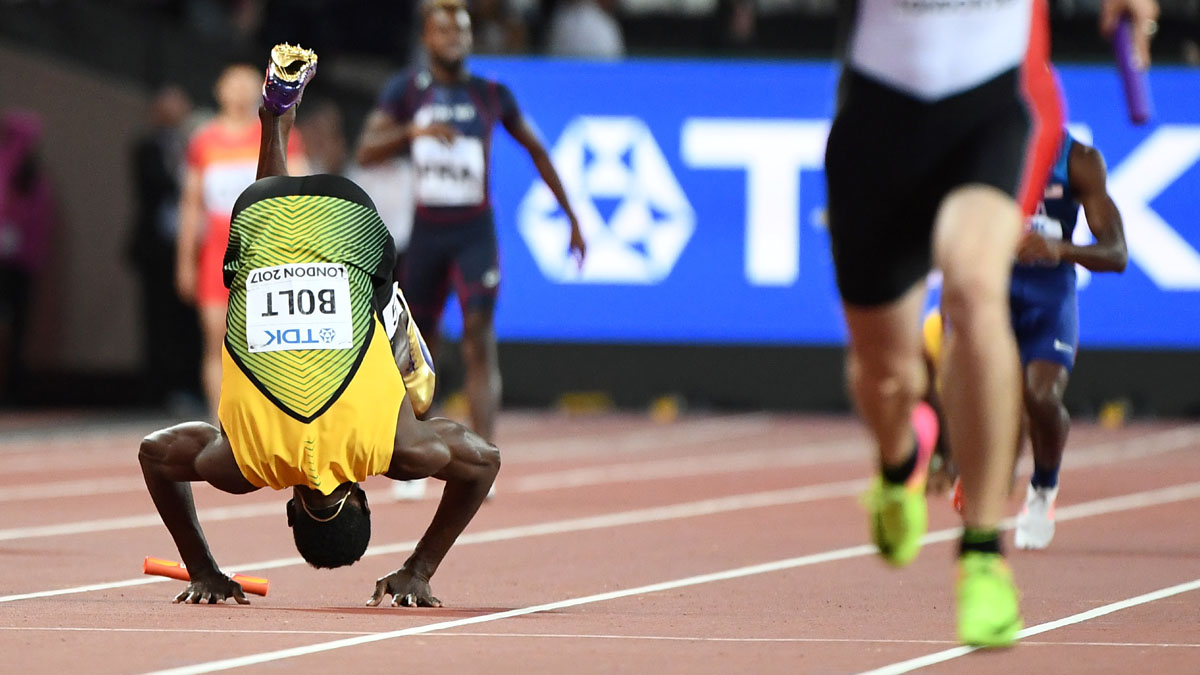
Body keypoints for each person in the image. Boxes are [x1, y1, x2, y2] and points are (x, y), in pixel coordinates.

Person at [824, 0, 1157, 647]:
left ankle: (983, 550)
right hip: (879, 112)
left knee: (976, 284)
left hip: (999, 103)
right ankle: (899, 460)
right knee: (884, 373)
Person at [139, 44, 497, 607]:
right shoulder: (242, 464)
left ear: (361, 499)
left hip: (352, 222)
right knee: (269, 249)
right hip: (258, 224)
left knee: (415, 382)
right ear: (290, 512)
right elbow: (155, 454)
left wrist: (421, 566)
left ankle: (277, 115)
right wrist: (204, 570)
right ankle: (274, 119)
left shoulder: (396, 449)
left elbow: (484, 460)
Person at [356, 0, 585, 446]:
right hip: (427, 232)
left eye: (461, 32)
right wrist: (412, 133)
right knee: (418, 347)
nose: (454, 40)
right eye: (443, 32)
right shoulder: (408, 90)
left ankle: (486, 451)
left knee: (479, 337)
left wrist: (572, 216)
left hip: (474, 231)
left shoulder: (490, 93)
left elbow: (537, 150)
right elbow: (366, 149)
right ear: (426, 39)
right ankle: (416, 449)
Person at [1011, 132, 1127, 549]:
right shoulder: (980, 144)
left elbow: (1116, 253)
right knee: (981, 384)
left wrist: (1058, 247)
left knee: (1040, 395)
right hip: (991, 285)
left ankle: (1043, 489)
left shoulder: (1077, 160)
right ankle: (976, 465)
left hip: (1049, 291)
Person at [177, 63, 307, 419]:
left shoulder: (279, 134)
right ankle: (222, 420)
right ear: (219, 90)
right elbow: (191, 205)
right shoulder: (204, 140)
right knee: (217, 341)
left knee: (268, 341)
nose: (239, 92)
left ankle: (272, 416)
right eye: (232, 85)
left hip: (266, 248)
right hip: (218, 250)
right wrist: (185, 261)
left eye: (248, 85)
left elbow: (300, 193)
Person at [129, 86, 202, 412]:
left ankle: (190, 385)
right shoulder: (147, 147)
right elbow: (154, 186)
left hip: (193, 245)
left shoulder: (197, 146)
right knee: (157, 319)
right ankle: (158, 387)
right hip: (157, 249)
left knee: (189, 322)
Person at [0, 111, 54, 405]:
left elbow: (39, 222)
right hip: (11, 261)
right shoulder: (8, 167)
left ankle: (14, 388)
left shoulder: (33, 175)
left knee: (18, 327)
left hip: (20, 263)